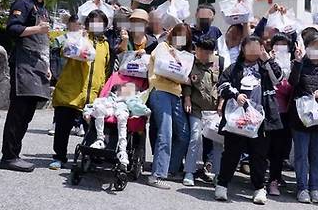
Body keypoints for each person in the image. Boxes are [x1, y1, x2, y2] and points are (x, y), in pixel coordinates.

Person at [215, 36, 283, 204]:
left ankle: (259, 188)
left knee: (258, 155)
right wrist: (235, 94)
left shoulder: (265, 68)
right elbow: (222, 85)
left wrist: (267, 59)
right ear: (243, 49)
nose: (253, 50)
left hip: (259, 120)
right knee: (231, 153)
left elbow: (279, 79)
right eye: (249, 47)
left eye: (257, 47)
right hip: (237, 119)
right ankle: (222, 185)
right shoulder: (234, 68)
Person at [0, 0, 54, 172]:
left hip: (37, 66)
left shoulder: (43, 9)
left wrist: (46, 65)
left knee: (28, 113)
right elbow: (12, 29)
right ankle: (8, 156)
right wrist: (37, 28)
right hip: (22, 65)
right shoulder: (23, 3)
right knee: (17, 111)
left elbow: (43, 40)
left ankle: (15, 153)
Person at [49, 10, 110, 170]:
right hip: (71, 91)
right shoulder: (79, 36)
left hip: (93, 96)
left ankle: (90, 157)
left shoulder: (105, 44)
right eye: (93, 21)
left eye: (100, 22)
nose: (97, 25)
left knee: (94, 130)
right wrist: (78, 41)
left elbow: (105, 69)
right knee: (63, 126)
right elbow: (65, 51)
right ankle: (59, 157)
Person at [287, 33, 318, 205]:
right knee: (301, 155)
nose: (316, 51)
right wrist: (298, 62)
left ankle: (314, 188)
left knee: (317, 155)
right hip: (301, 118)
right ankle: (302, 188)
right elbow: (292, 82)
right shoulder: (299, 64)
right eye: (312, 47)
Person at [146, 26, 192, 189]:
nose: (181, 39)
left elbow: (184, 74)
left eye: (185, 36)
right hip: (160, 91)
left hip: (176, 94)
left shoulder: (185, 55)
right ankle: (157, 175)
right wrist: (182, 74)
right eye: (179, 35)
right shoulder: (162, 47)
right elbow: (162, 68)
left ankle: (169, 170)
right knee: (165, 132)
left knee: (184, 133)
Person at [182, 38, 222, 186]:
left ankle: (218, 174)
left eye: (208, 52)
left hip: (214, 110)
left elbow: (223, 84)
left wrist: (221, 104)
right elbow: (187, 83)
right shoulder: (191, 62)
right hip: (196, 108)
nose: (204, 55)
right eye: (201, 51)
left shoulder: (220, 63)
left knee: (218, 141)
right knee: (195, 136)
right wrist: (187, 99)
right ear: (196, 49)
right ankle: (189, 171)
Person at [83, 82, 150, 166]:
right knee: (99, 108)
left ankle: (122, 150)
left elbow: (137, 107)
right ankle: (100, 139)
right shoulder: (108, 98)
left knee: (122, 117)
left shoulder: (131, 100)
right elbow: (94, 105)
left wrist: (146, 112)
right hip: (109, 108)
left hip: (121, 111)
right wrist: (87, 113)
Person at [267, 33, 295, 196]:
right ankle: (258, 179)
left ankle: (274, 180)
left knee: (278, 150)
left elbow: (291, 88)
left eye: (284, 45)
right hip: (266, 111)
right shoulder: (265, 62)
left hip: (283, 113)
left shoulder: (292, 65)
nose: (280, 48)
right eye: (277, 44)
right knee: (263, 148)